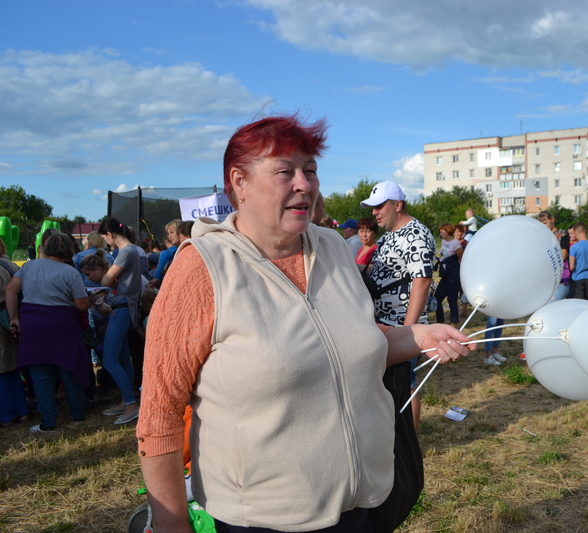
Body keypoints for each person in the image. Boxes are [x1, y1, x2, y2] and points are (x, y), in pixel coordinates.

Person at [137, 115, 474, 533]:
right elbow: (159, 417)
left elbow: (353, 345)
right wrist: (173, 525)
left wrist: (420, 335)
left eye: (310, 170)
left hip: (368, 505)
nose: (304, 184)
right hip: (265, 522)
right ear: (238, 182)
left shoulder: (332, 246)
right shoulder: (201, 268)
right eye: (285, 171)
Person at [361, 180, 437, 432]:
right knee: (392, 384)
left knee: (407, 384)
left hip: (402, 323)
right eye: (372, 207)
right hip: (386, 323)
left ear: (398, 204)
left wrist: (409, 330)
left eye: (379, 206)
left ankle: (410, 444)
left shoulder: (415, 233)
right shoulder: (389, 236)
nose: (374, 212)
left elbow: (422, 280)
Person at [5, 233, 90, 432]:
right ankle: (78, 416)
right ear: (69, 249)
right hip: (62, 326)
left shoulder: (28, 266)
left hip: (33, 325)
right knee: (69, 371)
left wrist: (14, 318)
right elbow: (81, 304)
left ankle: (48, 422)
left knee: (41, 377)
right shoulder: (70, 272)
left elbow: (10, 290)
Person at [92, 217, 142, 424]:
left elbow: (104, 280)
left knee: (110, 360)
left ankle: (131, 404)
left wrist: (107, 278)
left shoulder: (126, 252)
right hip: (124, 309)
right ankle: (126, 400)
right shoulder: (132, 251)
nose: (105, 242)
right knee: (122, 359)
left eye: (104, 238)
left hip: (120, 310)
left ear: (110, 234)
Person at [0, 238, 27, 428]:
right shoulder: (11, 264)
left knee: (1, 371)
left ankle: (5, 415)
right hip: (14, 319)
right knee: (12, 369)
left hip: (3, 322)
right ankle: (21, 410)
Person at [434, 223, 463, 327]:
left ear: (448, 232)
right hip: (445, 276)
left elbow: (461, 259)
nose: (440, 234)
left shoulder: (456, 244)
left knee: (452, 300)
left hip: (453, 276)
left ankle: (453, 324)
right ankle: (440, 322)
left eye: (442, 232)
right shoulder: (443, 241)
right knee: (437, 299)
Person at [538, 211, 571, 301]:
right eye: (541, 224)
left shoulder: (562, 234)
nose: (544, 226)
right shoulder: (541, 237)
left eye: (545, 223)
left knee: (551, 303)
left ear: (552, 219)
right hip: (546, 280)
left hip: (560, 280)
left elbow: (563, 255)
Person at [147, 220, 182, 289]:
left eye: (172, 232)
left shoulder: (167, 253)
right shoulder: (175, 251)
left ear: (180, 232)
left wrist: (157, 278)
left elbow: (159, 272)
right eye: (168, 234)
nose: (169, 236)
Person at [569, 223, 588, 301]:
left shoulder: (574, 247)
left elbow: (571, 266)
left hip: (578, 277)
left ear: (577, 233)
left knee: (579, 300)